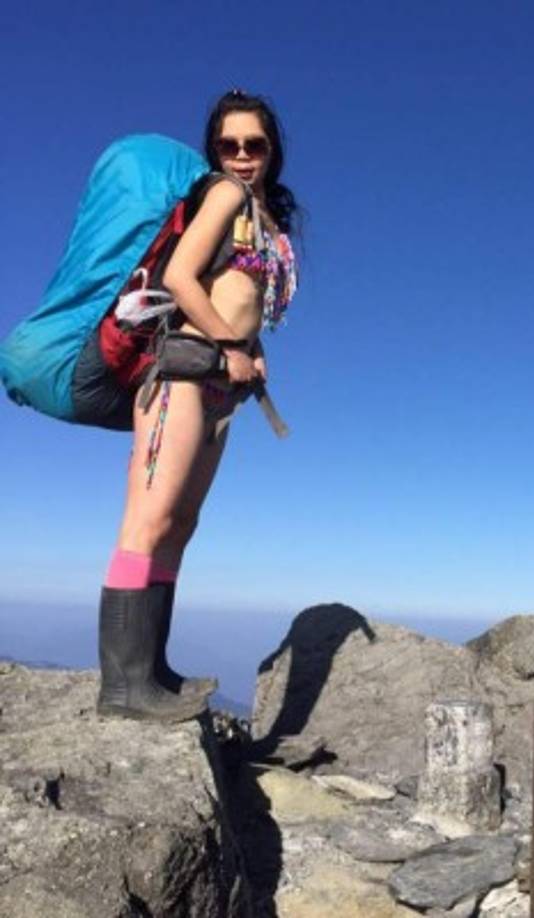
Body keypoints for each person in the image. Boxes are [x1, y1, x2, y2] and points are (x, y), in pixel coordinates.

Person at [96, 90, 300, 723]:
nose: (241, 157)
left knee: (180, 526)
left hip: (220, 379)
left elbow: (239, 298)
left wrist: (251, 348)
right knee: (150, 521)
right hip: (182, 370)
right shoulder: (224, 196)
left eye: (254, 145)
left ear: (272, 150)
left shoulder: (265, 219)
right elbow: (183, 278)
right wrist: (232, 342)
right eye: (228, 145)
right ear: (214, 150)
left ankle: (151, 670)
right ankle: (123, 686)